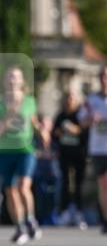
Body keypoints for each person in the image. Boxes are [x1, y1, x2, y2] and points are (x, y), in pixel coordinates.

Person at [0, 66, 43, 245]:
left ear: (22, 82)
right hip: (5, 151)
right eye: (10, 77)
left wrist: (43, 131)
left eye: (16, 77)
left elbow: (34, 122)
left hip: (26, 150)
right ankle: (20, 227)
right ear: (5, 82)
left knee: (23, 186)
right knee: (10, 191)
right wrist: (8, 118)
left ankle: (30, 219)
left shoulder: (29, 101)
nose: (13, 80)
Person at [52, 90, 88, 228]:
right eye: (68, 98)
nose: (70, 101)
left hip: (79, 155)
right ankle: (65, 212)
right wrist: (59, 132)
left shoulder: (80, 114)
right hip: (65, 155)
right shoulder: (60, 116)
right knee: (65, 183)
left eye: (72, 98)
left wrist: (76, 129)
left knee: (78, 184)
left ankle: (79, 213)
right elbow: (54, 134)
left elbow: (85, 132)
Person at [78, 64, 107, 233]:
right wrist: (91, 119)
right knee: (103, 185)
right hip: (97, 149)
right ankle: (105, 219)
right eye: (102, 76)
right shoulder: (91, 100)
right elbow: (81, 123)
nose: (104, 79)